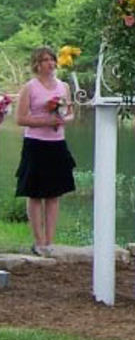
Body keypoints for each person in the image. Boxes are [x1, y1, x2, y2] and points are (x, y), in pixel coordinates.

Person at [15, 47, 76, 257]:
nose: (49, 64)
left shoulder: (63, 87)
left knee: (54, 194)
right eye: (44, 60)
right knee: (35, 193)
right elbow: (21, 119)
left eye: (52, 60)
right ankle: (38, 241)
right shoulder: (29, 88)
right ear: (37, 64)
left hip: (57, 144)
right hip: (35, 144)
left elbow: (70, 114)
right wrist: (45, 121)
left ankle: (50, 241)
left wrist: (61, 120)